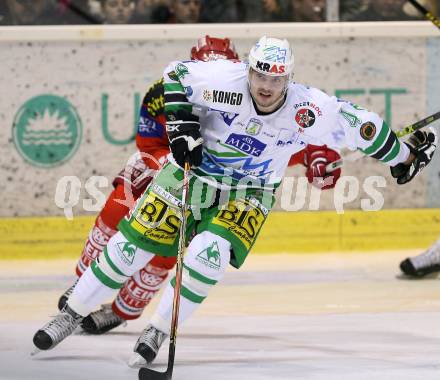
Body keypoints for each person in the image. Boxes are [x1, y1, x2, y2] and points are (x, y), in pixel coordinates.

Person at [33, 36, 437, 370]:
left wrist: (405, 158)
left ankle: (157, 328)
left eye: (275, 79)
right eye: (259, 74)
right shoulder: (221, 80)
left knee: (209, 255)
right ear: (249, 69)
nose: (265, 85)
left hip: (251, 193)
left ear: (289, 79)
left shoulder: (311, 110)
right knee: (128, 248)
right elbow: (174, 75)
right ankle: (70, 313)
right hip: (193, 174)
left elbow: (366, 129)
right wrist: (180, 124)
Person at [55, 35, 241, 335]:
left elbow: (277, 143)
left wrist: (313, 155)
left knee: (168, 247)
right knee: (119, 203)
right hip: (163, 165)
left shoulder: (248, 103)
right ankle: (86, 279)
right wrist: (171, 164)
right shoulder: (162, 93)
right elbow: (147, 143)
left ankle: (121, 309)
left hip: (208, 182)